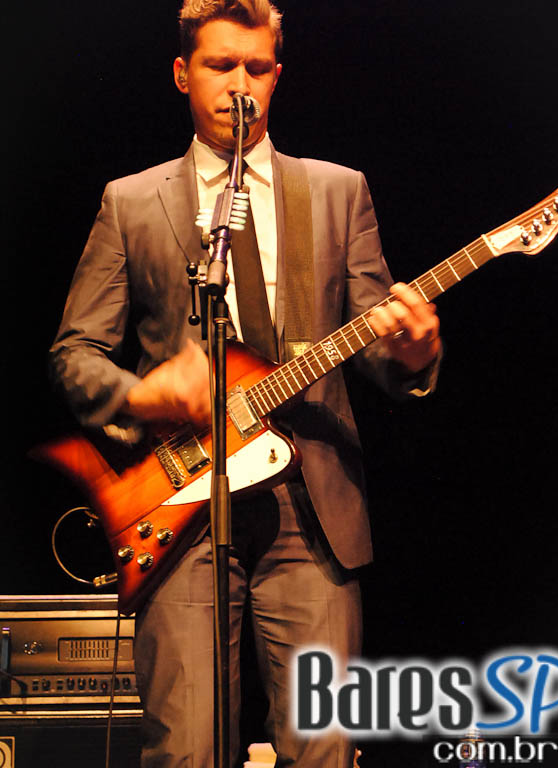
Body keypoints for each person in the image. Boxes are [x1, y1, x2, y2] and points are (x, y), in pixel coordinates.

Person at [49, 1, 441, 766]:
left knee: (325, 750)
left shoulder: (339, 191)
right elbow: (74, 353)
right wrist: (141, 394)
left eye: (256, 68)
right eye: (221, 65)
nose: (240, 85)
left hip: (312, 509)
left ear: (277, 75)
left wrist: (414, 354)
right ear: (182, 73)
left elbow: (377, 347)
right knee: (188, 749)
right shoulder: (132, 201)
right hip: (186, 508)